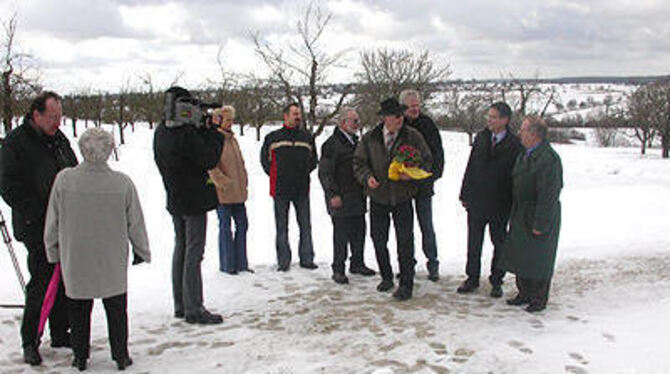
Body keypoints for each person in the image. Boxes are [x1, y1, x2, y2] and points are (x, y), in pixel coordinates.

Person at [44, 128, 150, 371]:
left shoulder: (64, 180)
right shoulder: (122, 183)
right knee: (116, 308)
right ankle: (120, 355)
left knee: (79, 309)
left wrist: (52, 250)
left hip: (76, 258)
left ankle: (80, 356)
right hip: (111, 258)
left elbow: (53, 220)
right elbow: (136, 221)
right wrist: (141, 250)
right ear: (110, 150)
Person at [0, 91, 77, 366]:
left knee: (64, 279)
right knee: (42, 282)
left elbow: (73, 168)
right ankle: (30, 339)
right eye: (53, 117)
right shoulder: (15, 143)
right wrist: (38, 212)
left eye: (60, 116)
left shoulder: (58, 139)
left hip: (64, 223)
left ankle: (60, 331)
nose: (58, 122)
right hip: (36, 225)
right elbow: (8, 186)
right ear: (37, 115)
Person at [154, 86, 224, 325]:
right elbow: (208, 158)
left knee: (181, 249)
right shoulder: (184, 133)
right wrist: (214, 132)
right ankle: (194, 307)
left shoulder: (162, 131)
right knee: (194, 252)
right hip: (193, 199)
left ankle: (181, 303)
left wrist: (200, 129)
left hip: (176, 197)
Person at [353, 97, 432, 301]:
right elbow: (359, 163)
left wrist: (412, 174)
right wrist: (367, 178)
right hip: (378, 197)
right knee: (379, 239)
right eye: (396, 116)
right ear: (386, 118)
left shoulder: (413, 136)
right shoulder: (370, 138)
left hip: (402, 197)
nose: (400, 119)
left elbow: (427, 160)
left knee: (405, 241)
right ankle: (386, 276)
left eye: (401, 115)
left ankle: (406, 283)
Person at [457, 102, 522, 298]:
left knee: (499, 244)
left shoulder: (514, 144)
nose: (489, 120)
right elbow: (471, 166)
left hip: (500, 203)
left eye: (493, 117)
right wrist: (464, 193)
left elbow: (515, 176)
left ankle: (496, 280)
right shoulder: (482, 137)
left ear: (505, 120)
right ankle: (472, 278)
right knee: (474, 243)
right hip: (477, 200)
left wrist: (512, 201)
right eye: (489, 116)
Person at [502, 116, 563, 313]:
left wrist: (540, 222)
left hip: (538, 212)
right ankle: (524, 292)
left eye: (523, 130)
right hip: (521, 211)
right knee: (522, 255)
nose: (520, 133)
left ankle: (538, 297)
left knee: (539, 257)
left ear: (535, 134)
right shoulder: (525, 154)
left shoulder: (549, 159)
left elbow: (548, 194)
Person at [318, 106, 376, 285]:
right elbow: (325, 173)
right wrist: (332, 194)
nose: (358, 124)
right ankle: (338, 269)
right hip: (340, 198)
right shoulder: (331, 145)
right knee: (341, 235)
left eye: (358, 120)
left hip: (357, 196)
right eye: (354, 121)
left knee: (359, 232)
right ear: (343, 123)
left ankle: (357, 263)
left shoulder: (357, 142)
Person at [260, 102, 318, 272]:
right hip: (280, 189)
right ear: (285, 116)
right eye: (294, 113)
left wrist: (302, 173)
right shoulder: (272, 137)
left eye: (299, 113)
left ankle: (307, 258)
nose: (298, 116)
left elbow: (313, 160)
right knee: (282, 227)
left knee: (305, 225)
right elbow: (265, 161)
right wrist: (277, 175)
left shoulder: (307, 137)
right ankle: (283, 261)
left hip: (301, 189)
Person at [400, 90, 444, 282]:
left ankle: (432, 263)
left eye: (418, 105)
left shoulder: (427, 125)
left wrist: (430, 177)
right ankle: (407, 264)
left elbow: (438, 154)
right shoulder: (398, 124)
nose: (416, 109)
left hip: (424, 186)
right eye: (411, 106)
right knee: (404, 229)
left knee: (426, 226)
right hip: (402, 186)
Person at [208, 105, 251, 275]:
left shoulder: (233, 140)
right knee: (225, 228)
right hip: (223, 194)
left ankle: (241, 262)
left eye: (233, 120)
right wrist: (223, 183)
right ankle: (227, 264)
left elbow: (240, 164)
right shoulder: (214, 140)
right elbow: (211, 166)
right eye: (228, 120)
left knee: (243, 225)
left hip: (239, 193)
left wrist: (244, 181)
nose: (231, 123)